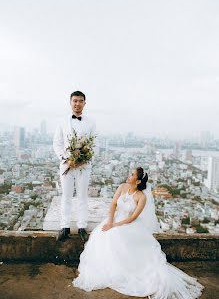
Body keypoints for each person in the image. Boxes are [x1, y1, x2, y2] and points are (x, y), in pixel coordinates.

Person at [72, 167, 204, 298]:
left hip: (128, 224)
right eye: (130, 173)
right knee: (101, 235)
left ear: (138, 181)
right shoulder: (122, 187)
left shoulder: (141, 197)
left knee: (117, 238)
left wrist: (114, 225)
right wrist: (110, 222)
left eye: (132, 175)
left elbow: (132, 218)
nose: (129, 176)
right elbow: (113, 205)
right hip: (114, 220)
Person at [53, 91, 96, 241]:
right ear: (70, 102)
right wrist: (66, 160)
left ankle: (82, 227)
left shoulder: (91, 122)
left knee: (82, 196)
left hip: (84, 166)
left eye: (80, 101)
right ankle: (64, 227)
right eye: (75, 101)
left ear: (85, 103)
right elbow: (57, 144)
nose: (77, 104)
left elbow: (94, 145)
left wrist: (84, 160)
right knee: (66, 196)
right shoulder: (62, 121)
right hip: (66, 166)